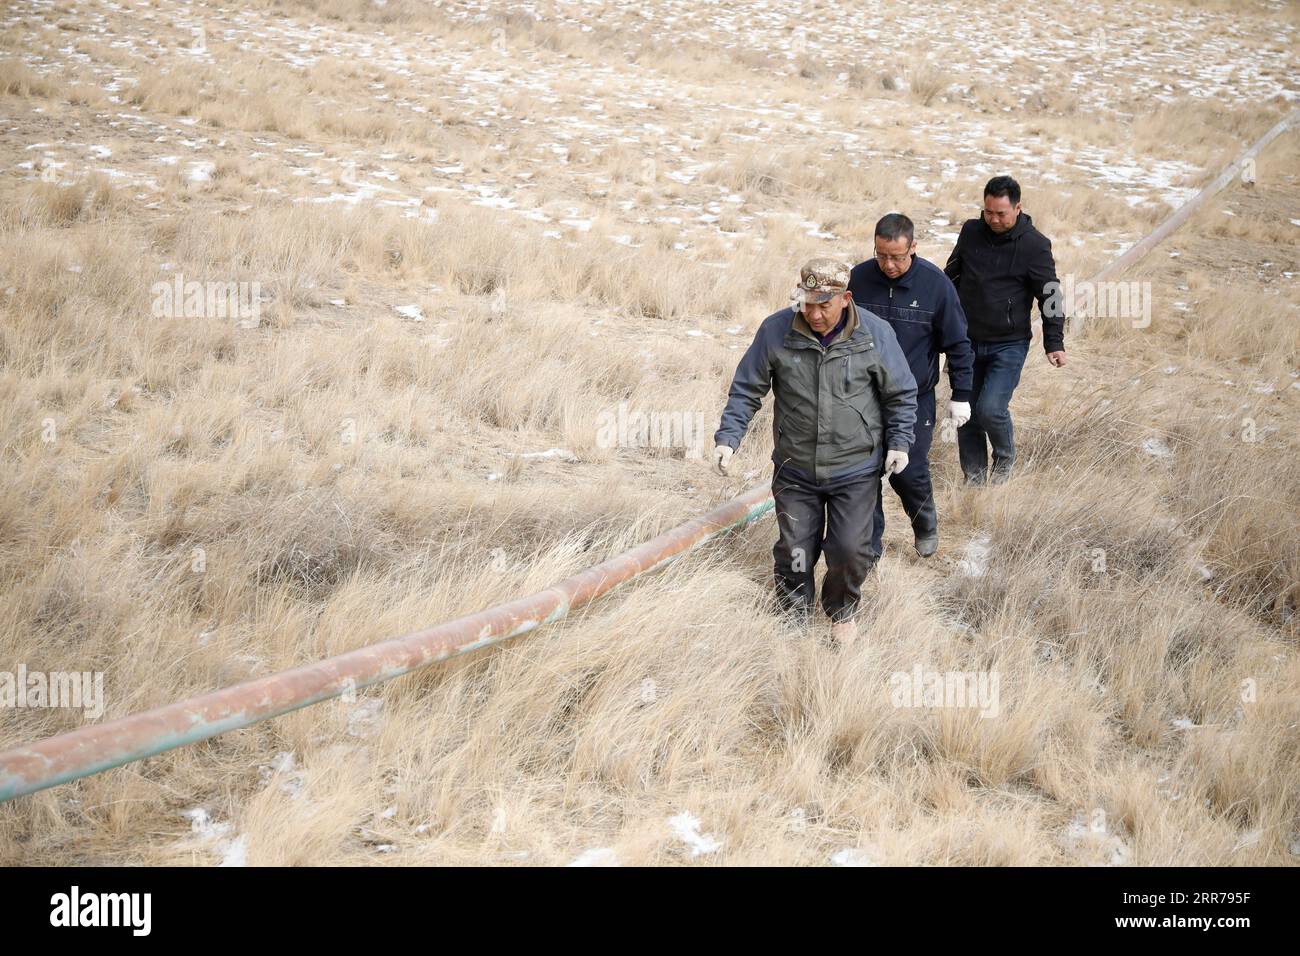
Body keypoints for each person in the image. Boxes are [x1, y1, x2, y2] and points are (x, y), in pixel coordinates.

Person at [711, 258, 917, 646]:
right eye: (808, 302)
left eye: (824, 304)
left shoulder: (874, 334)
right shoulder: (777, 330)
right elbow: (746, 388)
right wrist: (729, 438)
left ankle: (841, 611)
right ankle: (793, 615)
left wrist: (900, 441)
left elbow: (900, 394)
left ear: (846, 298)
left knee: (850, 548)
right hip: (796, 467)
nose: (815, 313)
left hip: (855, 467)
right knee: (795, 548)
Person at [848, 213, 973, 558]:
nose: (888, 264)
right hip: (862, 395)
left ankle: (924, 520)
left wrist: (961, 394)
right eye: (881, 255)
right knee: (863, 473)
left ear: (913, 248)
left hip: (914, 397)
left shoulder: (935, 285)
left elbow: (959, 343)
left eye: (897, 257)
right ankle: (868, 549)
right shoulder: (857, 279)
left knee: (908, 469)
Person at [944, 175, 1068, 484]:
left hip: (1008, 344)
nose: (993, 219)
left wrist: (1054, 341)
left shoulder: (1035, 245)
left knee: (990, 409)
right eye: (988, 212)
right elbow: (951, 275)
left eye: (1001, 213)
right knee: (966, 413)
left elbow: (1050, 295)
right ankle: (974, 481)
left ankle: (1004, 459)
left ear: (1017, 208)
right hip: (967, 341)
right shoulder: (971, 232)